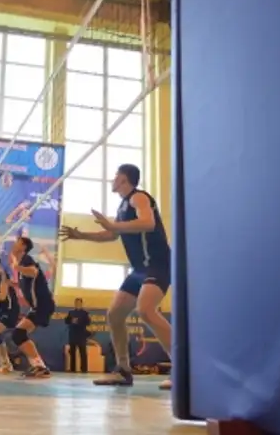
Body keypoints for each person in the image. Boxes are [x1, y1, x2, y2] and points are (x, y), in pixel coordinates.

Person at [60, 163, 172, 389]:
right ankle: (123, 370)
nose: (112, 180)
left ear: (123, 179)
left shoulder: (139, 197)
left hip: (157, 264)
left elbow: (148, 222)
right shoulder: (122, 206)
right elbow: (111, 235)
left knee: (145, 310)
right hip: (139, 270)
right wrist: (81, 235)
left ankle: (183, 366)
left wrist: (113, 224)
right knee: (115, 315)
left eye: (115, 176)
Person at [11, 236, 55, 379]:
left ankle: (40, 367)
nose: (14, 244)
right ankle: (38, 366)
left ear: (23, 247)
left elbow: (33, 271)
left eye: (17, 242)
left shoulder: (26, 259)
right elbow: (27, 284)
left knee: (19, 333)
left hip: (43, 304)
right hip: (38, 306)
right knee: (18, 335)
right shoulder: (21, 264)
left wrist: (16, 267)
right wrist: (11, 283)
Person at [65, 298, 91, 373]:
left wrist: (78, 321)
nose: (78, 304)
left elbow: (88, 322)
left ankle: (84, 369)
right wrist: (71, 320)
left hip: (81, 335)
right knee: (72, 353)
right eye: (76, 303)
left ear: (81, 304)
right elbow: (66, 321)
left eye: (79, 303)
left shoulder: (85, 313)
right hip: (73, 335)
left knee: (83, 353)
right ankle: (72, 369)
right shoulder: (71, 312)